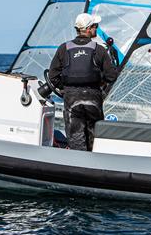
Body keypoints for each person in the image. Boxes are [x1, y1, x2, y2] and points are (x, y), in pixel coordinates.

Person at [48, 13, 118, 151]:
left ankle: (77, 165)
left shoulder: (64, 48)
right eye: (95, 26)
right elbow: (112, 76)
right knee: (94, 138)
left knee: (75, 139)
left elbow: (52, 76)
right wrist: (100, 83)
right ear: (88, 29)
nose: (96, 29)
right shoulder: (100, 50)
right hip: (93, 97)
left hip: (71, 98)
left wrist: (66, 89)